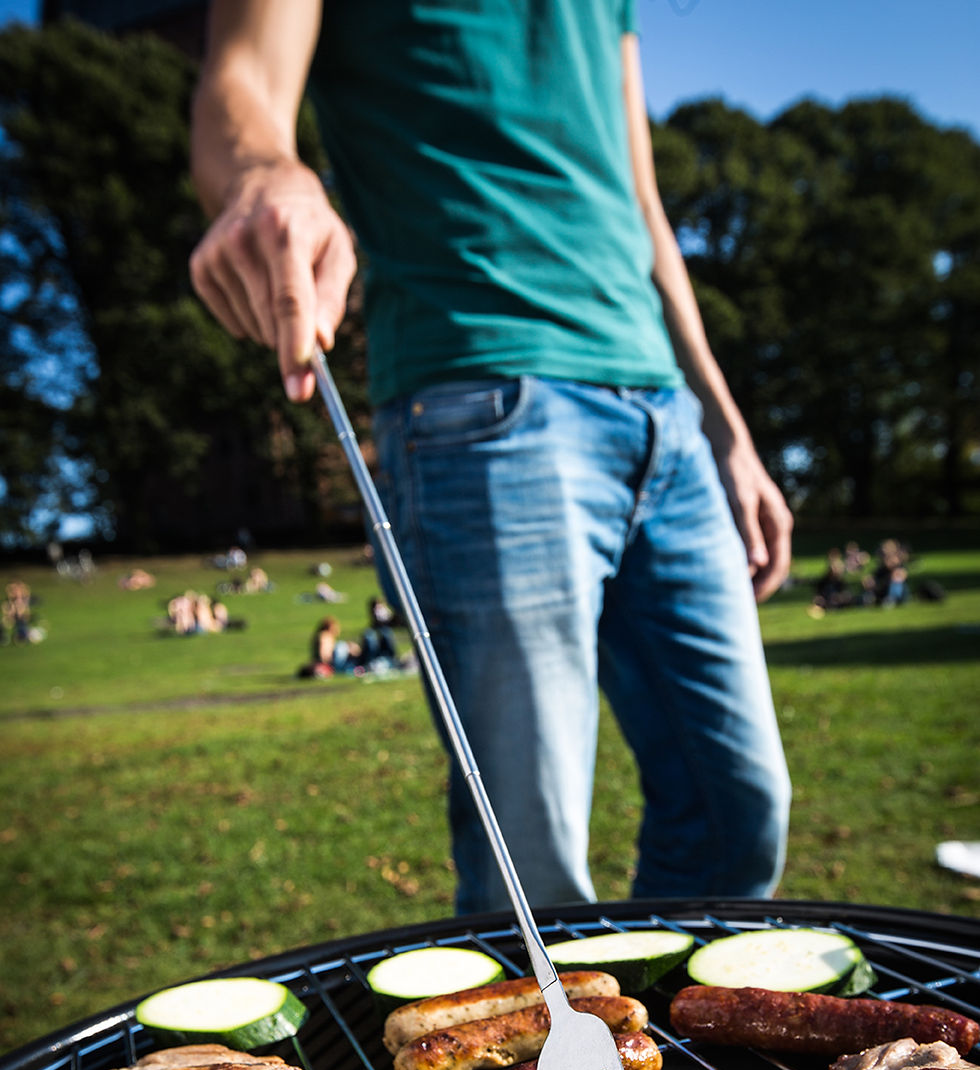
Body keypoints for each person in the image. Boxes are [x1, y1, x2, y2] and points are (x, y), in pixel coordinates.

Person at [189, 0, 793, 913]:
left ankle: (646, 1047)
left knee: (740, 813)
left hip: (663, 408)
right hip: (482, 398)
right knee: (532, 867)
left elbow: (643, 206)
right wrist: (267, 169)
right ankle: (545, 1057)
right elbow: (241, 83)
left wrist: (726, 426)